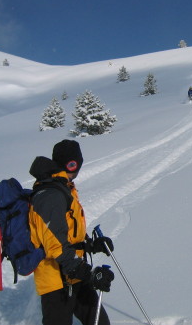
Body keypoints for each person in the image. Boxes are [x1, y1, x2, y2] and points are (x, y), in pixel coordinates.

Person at [28, 139, 115, 325]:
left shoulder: (64, 188)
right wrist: (89, 274)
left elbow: (67, 233)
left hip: (75, 275)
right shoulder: (50, 195)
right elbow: (56, 246)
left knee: (100, 321)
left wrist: (91, 245)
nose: (75, 169)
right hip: (56, 283)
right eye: (73, 163)